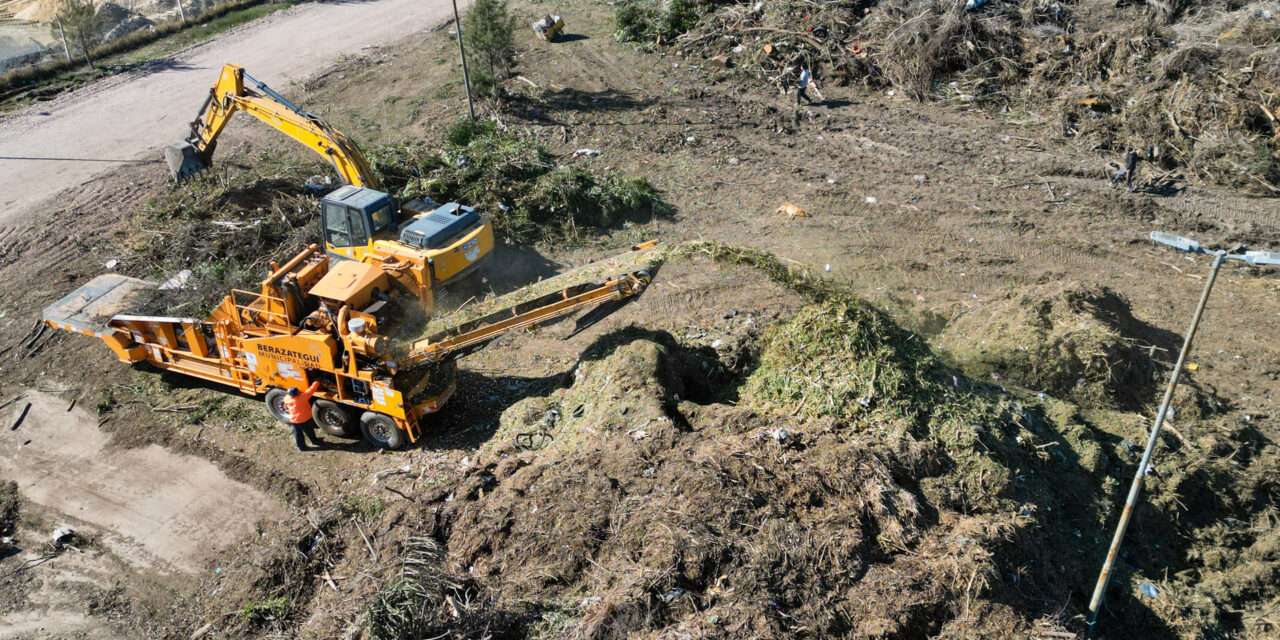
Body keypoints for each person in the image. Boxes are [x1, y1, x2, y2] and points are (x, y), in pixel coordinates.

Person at [282, 381, 324, 451]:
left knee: (298, 434)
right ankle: (315, 441)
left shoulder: (287, 398)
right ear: (298, 393)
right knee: (309, 430)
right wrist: (317, 382)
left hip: (294, 420)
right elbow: (311, 389)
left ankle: (302, 447)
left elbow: (285, 406)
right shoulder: (303, 397)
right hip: (304, 419)